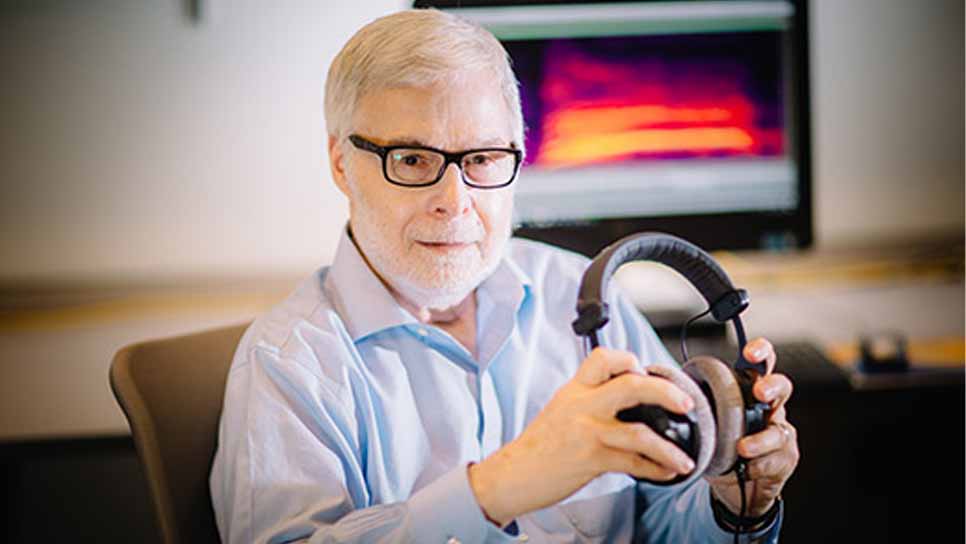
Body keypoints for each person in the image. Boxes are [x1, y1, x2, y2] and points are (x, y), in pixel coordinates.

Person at [210, 8, 799, 543]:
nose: (455, 200)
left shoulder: (584, 296)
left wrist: (732, 506)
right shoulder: (289, 363)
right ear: (342, 164)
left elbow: (663, 521)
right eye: (412, 160)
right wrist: (502, 486)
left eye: (484, 159)